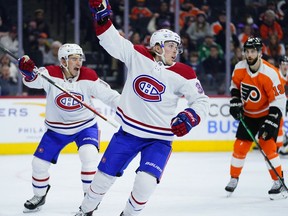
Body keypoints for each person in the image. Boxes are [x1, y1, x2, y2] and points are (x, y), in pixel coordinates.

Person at [74, 1, 209, 216]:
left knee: (145, 183)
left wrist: (190, 116)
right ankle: (86, 209)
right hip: (128, 134)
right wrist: (101, 17)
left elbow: (201, 101)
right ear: (157, 46)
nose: (176, 50)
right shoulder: (137, 55)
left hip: (160, 139)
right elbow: (112, 42)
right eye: (171, 45)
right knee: (101, 180)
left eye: (177, 46)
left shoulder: (185, 73)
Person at [18, 43, 120, 213]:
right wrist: (27, 72)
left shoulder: (88, 76)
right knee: (38, 164)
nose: (79, 63)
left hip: (85, 127)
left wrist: (128, 107)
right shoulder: (50, 73)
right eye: (74, 59)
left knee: (88, 154)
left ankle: (90, 200)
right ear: (63, 61)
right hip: (56, 130)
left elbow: (110, 96)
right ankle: (39, 195)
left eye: (80, 58)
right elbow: (32, 81)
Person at [225, 37, 287, 200]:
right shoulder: (239, 68)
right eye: (247, 51)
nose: (250, 54)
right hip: (249, 115)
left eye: (253, 51)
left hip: (267, 113)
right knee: (239, 146)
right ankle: (234, 177)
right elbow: (234, 86)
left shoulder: (270, 73)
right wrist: (235, 101)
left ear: (260, 53)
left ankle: (278, 181)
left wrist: (272, 120)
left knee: (268, 147)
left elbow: (279, 100)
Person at [278, 55, 288, 155]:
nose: (285, 66)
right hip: (274, 102)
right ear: (280, 65)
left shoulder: (286, 74)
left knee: (280, 123)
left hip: (282, 102)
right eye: (283, 64)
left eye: (287, 64)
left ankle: (280, 146)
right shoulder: (276, 74)